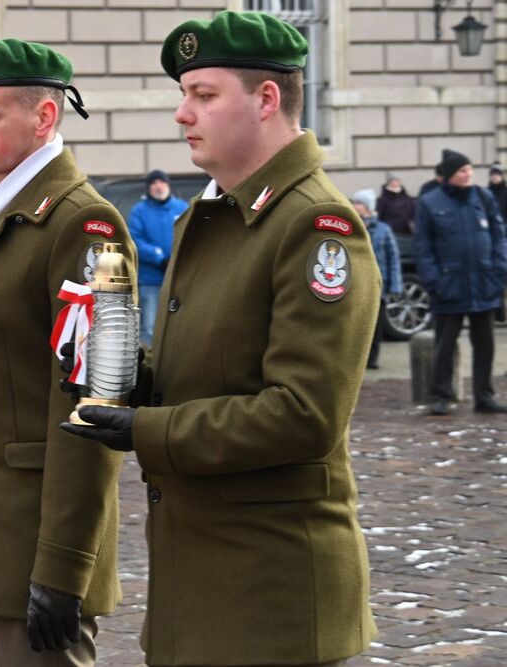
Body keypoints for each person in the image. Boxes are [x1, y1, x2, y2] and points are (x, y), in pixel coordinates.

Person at [61, 12, 380, 667]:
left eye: (203, 95)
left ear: (266, 100)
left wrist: (144, 429)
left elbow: (303, 415)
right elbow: (205, 375)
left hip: (272, 601)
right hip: (201, 591)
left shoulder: (315, 227)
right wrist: (115, 367)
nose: (182, 114)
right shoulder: (211, 216)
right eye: (185, 95)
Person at [0, 38, 136, 666]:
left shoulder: (89, 226)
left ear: (43, 118)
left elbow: (98, 400)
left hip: (31, 548)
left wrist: (65, 566)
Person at [414, 149, 507, 416]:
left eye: (469, 170)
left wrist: (499, 270)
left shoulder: (483, 197)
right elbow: (423, 246)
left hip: (483, 282)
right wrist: (434, 281)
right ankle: (441, 396)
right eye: (461, 171)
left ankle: (484, 396)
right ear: (448, 176)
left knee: (485, 344)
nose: (468, 175)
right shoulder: (430, 202)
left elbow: (499, 236)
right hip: (448, 285)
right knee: (444, 344)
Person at [128, 169, 187, 346]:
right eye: (153, 183)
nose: (158, 186)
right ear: (148, 188)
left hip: (178, 276)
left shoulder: (182, 207)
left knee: (180, 324)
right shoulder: (139, 211)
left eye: (161, 182)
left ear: (167, 184)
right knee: (150, 327)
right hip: (151, 280)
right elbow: (136, 240)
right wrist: (159, 258)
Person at [351, 189, 402, 369]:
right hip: (355, 286)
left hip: (378, 285)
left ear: (368, 207)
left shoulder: (383, 229)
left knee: (376, 325)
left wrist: (395, 286)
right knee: (356, 325)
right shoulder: (349, 224)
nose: (356, 206)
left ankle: (372, 359)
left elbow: (392, 258)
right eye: (355, 202)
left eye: (360, 203)